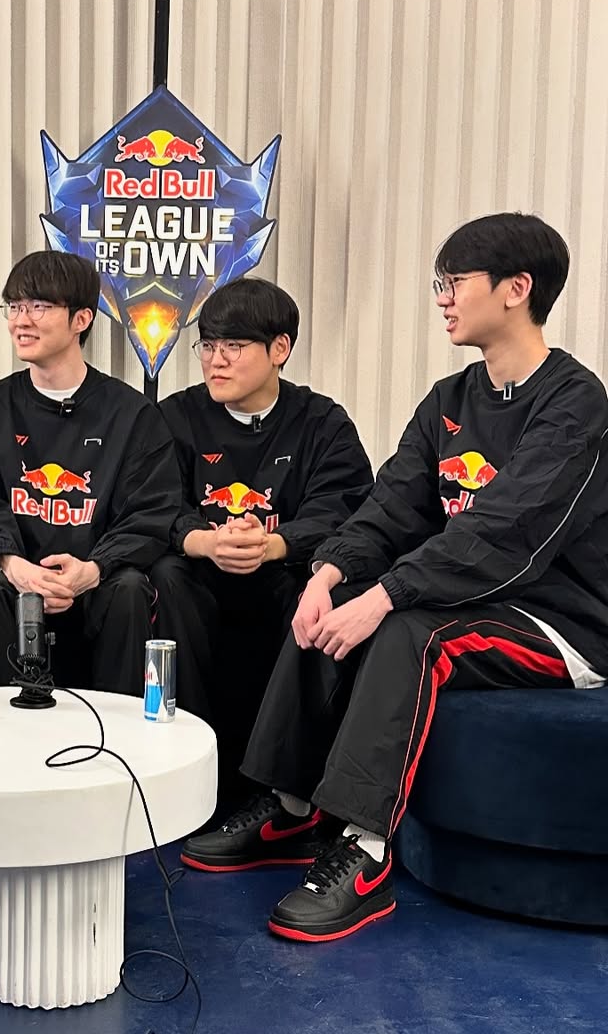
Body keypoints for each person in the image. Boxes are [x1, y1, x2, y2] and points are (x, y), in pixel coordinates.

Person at [183, 212, 608, 942]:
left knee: (411, 631)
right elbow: (390, 505)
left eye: (454, 281)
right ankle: (290, 807)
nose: (441, 296)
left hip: (561, 620)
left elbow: (503, 533)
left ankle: (365, 848)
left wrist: (387, 595)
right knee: (334, 599)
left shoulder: (575, 403)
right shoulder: (449, 400)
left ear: (516, 289)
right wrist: (329, 572)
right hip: (469, 596)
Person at [152, 278, 373, 811]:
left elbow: (344, 507)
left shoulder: (322, 422)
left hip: (282, 571)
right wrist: (203, 540)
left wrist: (275, 543)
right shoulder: (175, 416)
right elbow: (152, 501)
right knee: (164, 578)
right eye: (208, 345)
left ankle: (282, 794)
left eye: (234, 345)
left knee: (315, 592)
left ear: (280, 349)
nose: (215, 361)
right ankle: (181, 767)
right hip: (199, 570)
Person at [0, 251, 180, 694]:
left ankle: (121, 729)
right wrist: (13, 564)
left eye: (38, 306)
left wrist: (94, 568)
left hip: (95, 582)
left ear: (81, 319)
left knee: (130, 586)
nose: (21, 320)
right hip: (14, 579)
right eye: (14, 306)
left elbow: (149, 512)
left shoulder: (132, 416)